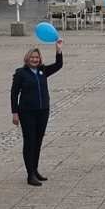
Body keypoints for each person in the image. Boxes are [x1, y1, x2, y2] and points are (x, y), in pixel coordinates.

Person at [10, 41, 64, 186]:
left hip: (43, 111)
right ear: (27, 59)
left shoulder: (42, 71)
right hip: (27, 112)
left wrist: (58, 50)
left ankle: (35, 170)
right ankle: (30, 174)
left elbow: (58, 65)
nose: (35, 60)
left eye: (37, 57)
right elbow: (14, 93)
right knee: (30, 142)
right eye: (32, 57)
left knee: (38, 141)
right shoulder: (21, 73)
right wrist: (14, 112)